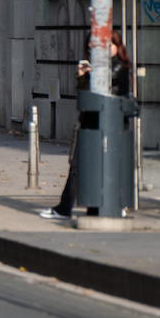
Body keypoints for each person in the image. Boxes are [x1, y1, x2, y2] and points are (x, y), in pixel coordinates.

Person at [45, 33, 133, 219]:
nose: (97, 51)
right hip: (92, 122)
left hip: (110, 124)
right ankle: (69, 207)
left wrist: (92, 74)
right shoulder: (99, 69)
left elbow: (105, 90)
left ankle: (111, 205)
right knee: (78, 166)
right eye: (91, 48)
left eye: (107, 45)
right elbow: (85, 96)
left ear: (116, 46)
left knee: (106, 166)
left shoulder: (119, 66)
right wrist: (82, 77)